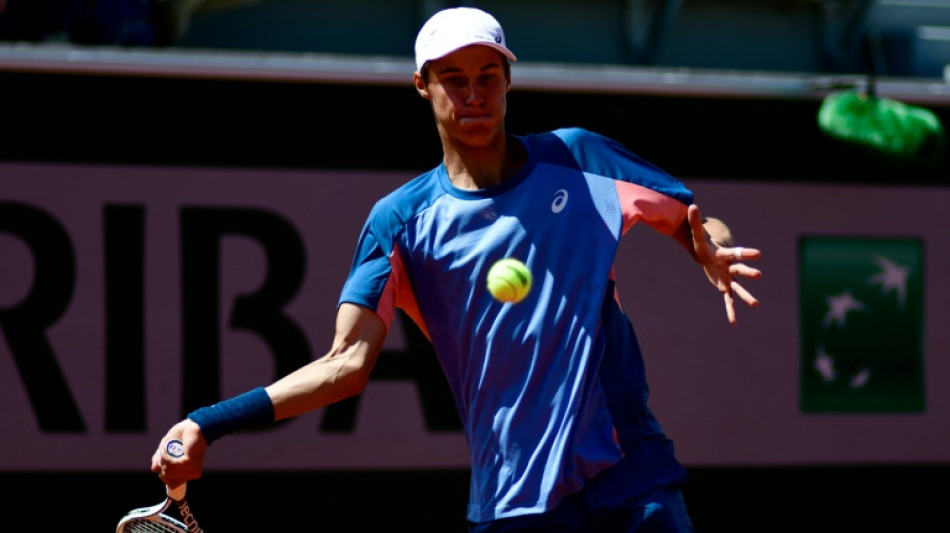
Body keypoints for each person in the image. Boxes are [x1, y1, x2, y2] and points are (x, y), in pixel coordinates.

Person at [151, 7, 762, 532]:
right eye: (454, 80)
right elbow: (345, 365)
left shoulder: (580, 158)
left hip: (632, 477)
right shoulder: (400, 222)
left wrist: (710, 247)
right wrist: (208, 422)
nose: (474, 96)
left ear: (507, 80)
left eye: (487, 78)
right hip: (514, 501)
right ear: (422, 85)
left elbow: (693, 219)